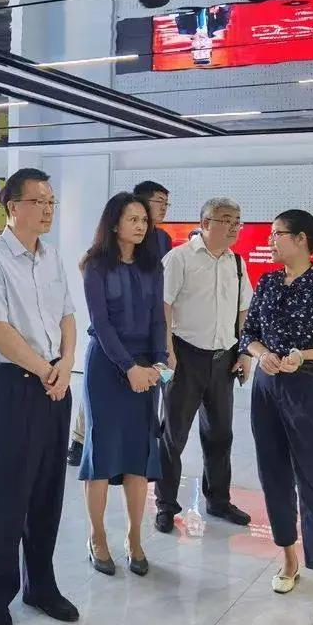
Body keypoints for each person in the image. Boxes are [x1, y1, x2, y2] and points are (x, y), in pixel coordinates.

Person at [0, 167, 78, 625]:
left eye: (52, 202)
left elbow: (68, 315)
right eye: (39, 201)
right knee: (7, 496)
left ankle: (41, 585)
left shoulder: (52, 257)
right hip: (15, 385)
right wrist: (44, 369)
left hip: (55, 384)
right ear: (13, 207)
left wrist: (65, 365)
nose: (48, 210)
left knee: (48, 492)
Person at [240, 210, 313, 625]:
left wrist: (300, 356)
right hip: (266, 389)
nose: (270, 241)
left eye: (277, 235)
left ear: (302, 239)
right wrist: (262, 355)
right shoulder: (268, 283)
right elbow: (248, 334)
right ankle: (288, 557)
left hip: (308, 390)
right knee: (272, 475)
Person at [79, 193, 165, 578]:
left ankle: (134, 538)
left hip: (145, 367)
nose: (140, 226)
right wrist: (129, 367)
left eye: (144, 220)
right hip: (107, 367)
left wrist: (158, 363)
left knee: (138, 455)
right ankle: (97, 537)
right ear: (114, 223)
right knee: (101, 455)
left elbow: (158, 319)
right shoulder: (95, 265)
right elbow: (101, 323)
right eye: (133, 219)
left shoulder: (152, 266)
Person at [155, 197, 252, 533]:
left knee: (220, 434)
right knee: (173, 435)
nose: (234, 227)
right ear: (206, 223)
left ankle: (219, 500)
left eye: (237, 221)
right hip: (184, 357)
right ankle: (166, 504)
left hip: (224, 359)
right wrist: (167, 351)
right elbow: (163, 306)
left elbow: (243, 309)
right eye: (227, 220)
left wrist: (244, 353)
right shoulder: (179, 258)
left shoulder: (236, 262)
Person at [68, 178, 171, 468]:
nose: (161, 210)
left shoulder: (160, 242)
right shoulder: (100, 258)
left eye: (166, 204)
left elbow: (158, 310)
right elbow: (100, 317)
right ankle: (79, 440)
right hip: (109, 346)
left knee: (140, 441)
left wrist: (161, 361)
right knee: (100, 431)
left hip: (145, 347)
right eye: (157, 203)